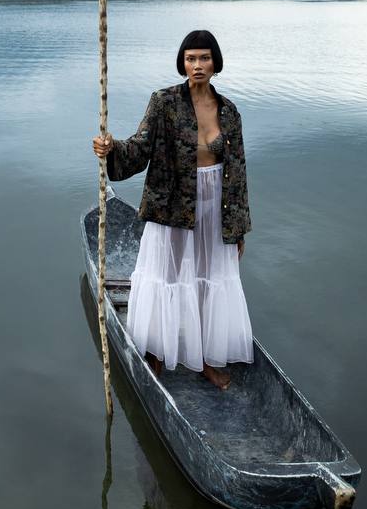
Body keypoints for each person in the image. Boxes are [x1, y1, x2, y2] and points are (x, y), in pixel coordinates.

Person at [91, 29, 253, 389]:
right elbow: (140, 147)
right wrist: (111, 148)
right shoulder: (164, 103)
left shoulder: (229, 111)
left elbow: (239, 171)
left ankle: (205, 360)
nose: (198, 65)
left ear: (216, 63)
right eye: (191, 58)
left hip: (215, 204)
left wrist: (237, 226)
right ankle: (157, 351)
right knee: (166, 274)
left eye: (205, 58)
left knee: (208, 279)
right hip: (172, 203)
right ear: (182, 63)